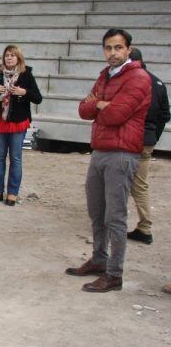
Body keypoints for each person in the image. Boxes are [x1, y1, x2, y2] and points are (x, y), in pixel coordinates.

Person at [65, 28, 151, 293]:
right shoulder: (105, 76)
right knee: (96, 211)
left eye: (118, 48)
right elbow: (83, 109)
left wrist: (100, 104)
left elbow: (116, 115)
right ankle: (99, 259)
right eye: (108, 48)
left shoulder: (138, 77)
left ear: (128, 50)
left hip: (122, 153)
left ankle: (114, 274)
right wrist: (102, 104)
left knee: (115, 216)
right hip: (101, 149)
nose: (112, 53)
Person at [0, 45, 42, 206]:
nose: (9, 58)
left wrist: (24, 92)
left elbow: (38, 98)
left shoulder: (26, 75)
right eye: (7, 55)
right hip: (0, 122)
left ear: (18, 58)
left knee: (16, 158)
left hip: (18, 122)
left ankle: (12, 192)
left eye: (12, 55)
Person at [125, 48, 170, 245]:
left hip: (128, 139)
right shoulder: (158, 82)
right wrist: (153, 137)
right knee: (140, 185)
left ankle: (112, 223)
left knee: (116, 181)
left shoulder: (130, 81)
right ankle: (145, 227)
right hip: (147, 140)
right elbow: (165, 115)